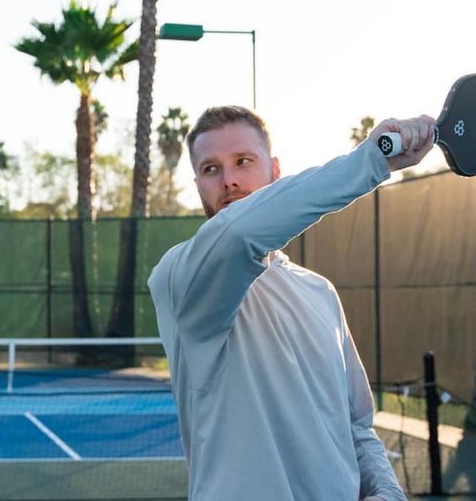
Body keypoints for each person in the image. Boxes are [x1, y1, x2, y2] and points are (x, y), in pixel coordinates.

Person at [148, 106, 435, 500]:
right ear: (198, 185)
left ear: (275, 170)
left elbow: (355, 426)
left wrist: (386, 490)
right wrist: (373, 160)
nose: (229, 180)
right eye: (211, 169)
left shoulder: (321, 292)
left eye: (243, 161)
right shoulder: (180, 279)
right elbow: (238, 232)